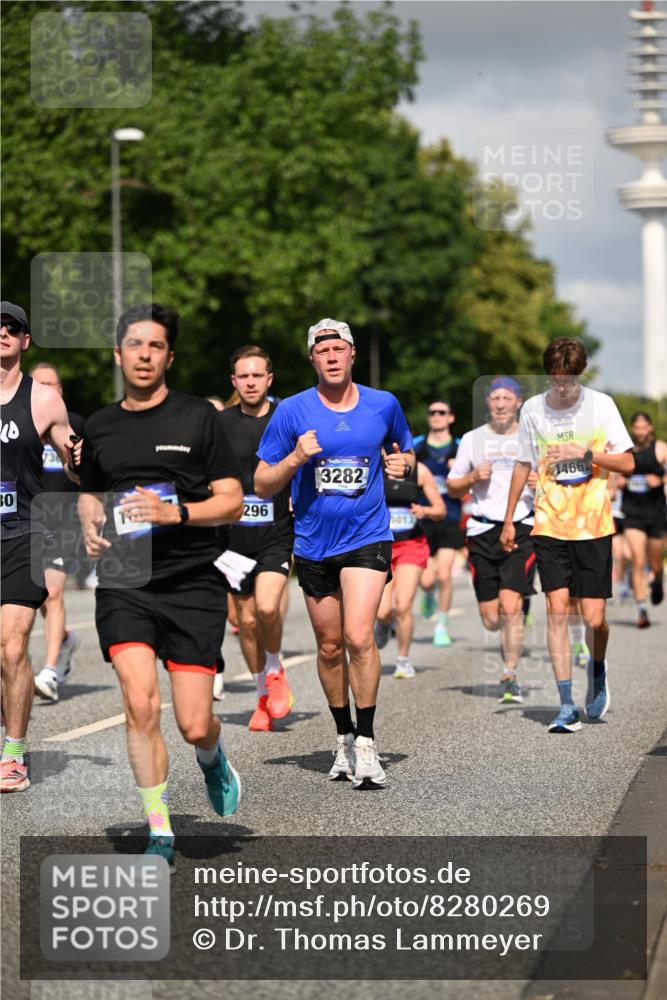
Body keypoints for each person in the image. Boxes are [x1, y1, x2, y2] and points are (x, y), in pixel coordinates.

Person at [78, 303, 243, 866]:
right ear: (118, 354)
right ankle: (160, 833)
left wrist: (177, 514)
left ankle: (212, 754)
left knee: (193, 723)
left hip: (192, 580)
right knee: (140, 705)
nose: (144, 355)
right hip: (124, 579)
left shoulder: (199, 417)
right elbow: (90, 492)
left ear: (169, 356)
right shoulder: (100, 425)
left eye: (155, 346)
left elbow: (231, 499)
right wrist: (90, 524)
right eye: (135, 345)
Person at [254, 318, 414, 789]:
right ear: (312, 359)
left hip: (368, 535)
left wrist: (403, 465)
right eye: (322, 350)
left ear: (351, 354)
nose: (331, 356)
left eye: (338, 348)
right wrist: (295, 458)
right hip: (313, 542)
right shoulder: (291, 411)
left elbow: (406, 454)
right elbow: (261, 483)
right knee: (329, 646)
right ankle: (343, 736)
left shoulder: (383, 404)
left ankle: (366, 741)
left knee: (359, 636)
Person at [500, 338, 634, 733]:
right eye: (555, 380)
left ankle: (597, 667)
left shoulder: (601, 406)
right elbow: (522, 465)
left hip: (593, 525)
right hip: (549, 523)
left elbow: (628, 463)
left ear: (580, 375)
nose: (561, 388)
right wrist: (509, 519)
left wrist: (587, 454)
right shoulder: (532, 409)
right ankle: (565, 705)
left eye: (568, 380)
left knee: (594, 618)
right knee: (556, 610)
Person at [0, 302, 81, 793]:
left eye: (12, 328)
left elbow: (72, 464)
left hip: (23, 533)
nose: (2, 333)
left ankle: (13, 754)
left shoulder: (44, 399)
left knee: (12, 648)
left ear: (25, 340)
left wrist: (78, 459)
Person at [447, 378, 537, 703]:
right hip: (481, 532)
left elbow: (555, 481)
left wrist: (540, 482)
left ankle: (509, 675)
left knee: (510, 606)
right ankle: (515, 608)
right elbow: (452, 487)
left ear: (518, 402)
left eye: (507, 398)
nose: (500, 403)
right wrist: (472, 478)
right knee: (491, 619)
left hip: (522, 528)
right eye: (495, 398)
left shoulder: (532, 439)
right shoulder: (472, 440)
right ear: (488, 402)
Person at [220, 346, 295, 731]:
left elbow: (305, 461)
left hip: (276, 531)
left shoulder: (286, 419)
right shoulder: (219, 423)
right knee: (245, 622)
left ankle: (275, 668)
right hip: (232, 537)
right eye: (244, 376)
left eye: (257, 375)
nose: (251, 382)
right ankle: (263, 694)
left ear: (270, 379)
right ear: (234, 381)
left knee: (266, 608)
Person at [29, 363, 86, 702]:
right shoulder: (18, 422)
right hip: (25, 521)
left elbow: (88, 472)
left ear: (61, 390)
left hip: (63, 521)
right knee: (33, 596)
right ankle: (64, 639)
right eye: (40, 383)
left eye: (52, 383)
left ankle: (49, 671)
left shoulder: (75, 424)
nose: (47, 389)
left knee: (53, 593)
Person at [375, 463, 444, 678]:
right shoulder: (372, 465)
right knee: (382, 611)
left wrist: (425, 511)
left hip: (411, 545)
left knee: (403, 606)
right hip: (380, 545)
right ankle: (384, 624)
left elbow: (440, 509)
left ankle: (403, 660)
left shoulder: (419, 471)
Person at [413, 401, 465, 646]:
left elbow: (475, 478)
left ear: (451, 417)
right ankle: (428, 593)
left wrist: (461, 472)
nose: (436, 416)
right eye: (432, 412)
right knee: (426, 580)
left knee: (444, 575)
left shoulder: (460, 448)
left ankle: (441, 626)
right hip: (422, 518)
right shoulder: (417, 445)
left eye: (441, 412)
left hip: (450, 518)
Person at [620, 412, 666, 626]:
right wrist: (618, 482)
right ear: (632, 429)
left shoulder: (660, 448)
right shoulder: (626, 450)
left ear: (650, 428)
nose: (640, 431)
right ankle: (642, 609)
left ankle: (657, 578)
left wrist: (661, 480)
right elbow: (615, 475)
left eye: (643, 427)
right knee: (638, 560)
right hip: (632, 513)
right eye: (636, 428)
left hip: (655, 513)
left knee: (655, 561)